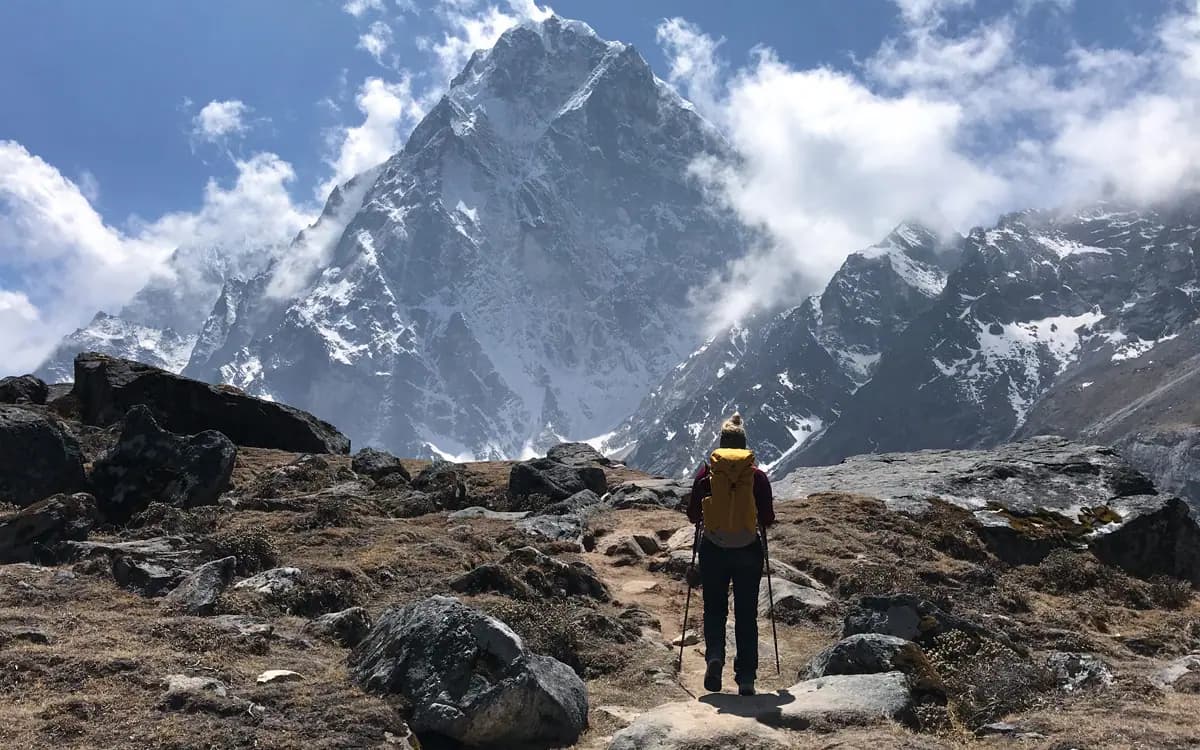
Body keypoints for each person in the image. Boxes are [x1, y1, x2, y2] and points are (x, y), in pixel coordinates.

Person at [687, 412, 775, 696]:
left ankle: (715, 656)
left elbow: (692, 515)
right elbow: (768, 517)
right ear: (744, 444)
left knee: (715, 608)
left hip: (714, 548)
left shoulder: (706, 473)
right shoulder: (756, 476)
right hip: (748, 549)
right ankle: (746, 677)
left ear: (722, 443)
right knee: (746, 614)